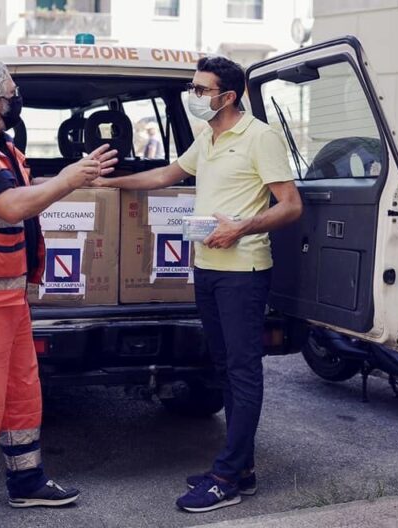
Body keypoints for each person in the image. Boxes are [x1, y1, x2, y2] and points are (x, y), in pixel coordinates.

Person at [94, 56, 303, 513]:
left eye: (201, 90)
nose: (194, 97)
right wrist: (101, 184)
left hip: (243, 270)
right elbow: (166, 175)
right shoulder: (207, 137)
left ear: (228, 96)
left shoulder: (259, 137)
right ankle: (240, 469)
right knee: (225, 367)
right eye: (193, 88)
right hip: (207, 267)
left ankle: (226, 477)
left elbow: (290, 205)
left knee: (243, 371)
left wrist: (240, 228)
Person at [0, 61, 117, 528]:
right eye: (12, 94)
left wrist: (76, 177)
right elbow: (11, 205)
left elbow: (19, 194)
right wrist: (68, 180)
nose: (17, 100)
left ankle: (26, 481)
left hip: (6, 299)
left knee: (21, 394)